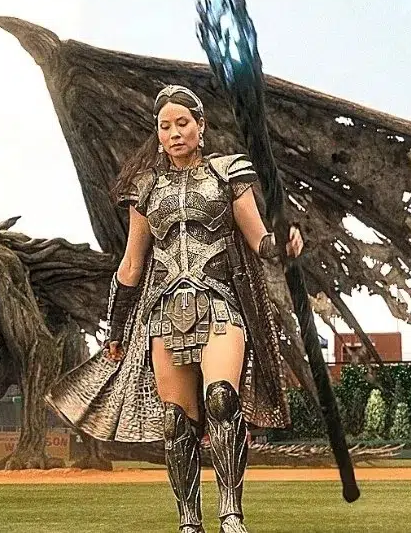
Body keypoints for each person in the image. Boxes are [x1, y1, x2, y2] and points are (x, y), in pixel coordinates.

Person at [46, 84, 303, 533]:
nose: (174, 133)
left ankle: (231, 513)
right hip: (164, 314)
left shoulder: (229, 174)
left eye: (182, 123)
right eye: (165, 126)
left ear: (200, 126)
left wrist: (282, 244)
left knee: (221, 399)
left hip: (220, 305)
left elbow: (259, 241)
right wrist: (116, 329)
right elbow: (131, 264)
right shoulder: (146, 189)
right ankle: (189, 521)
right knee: (175, 421)